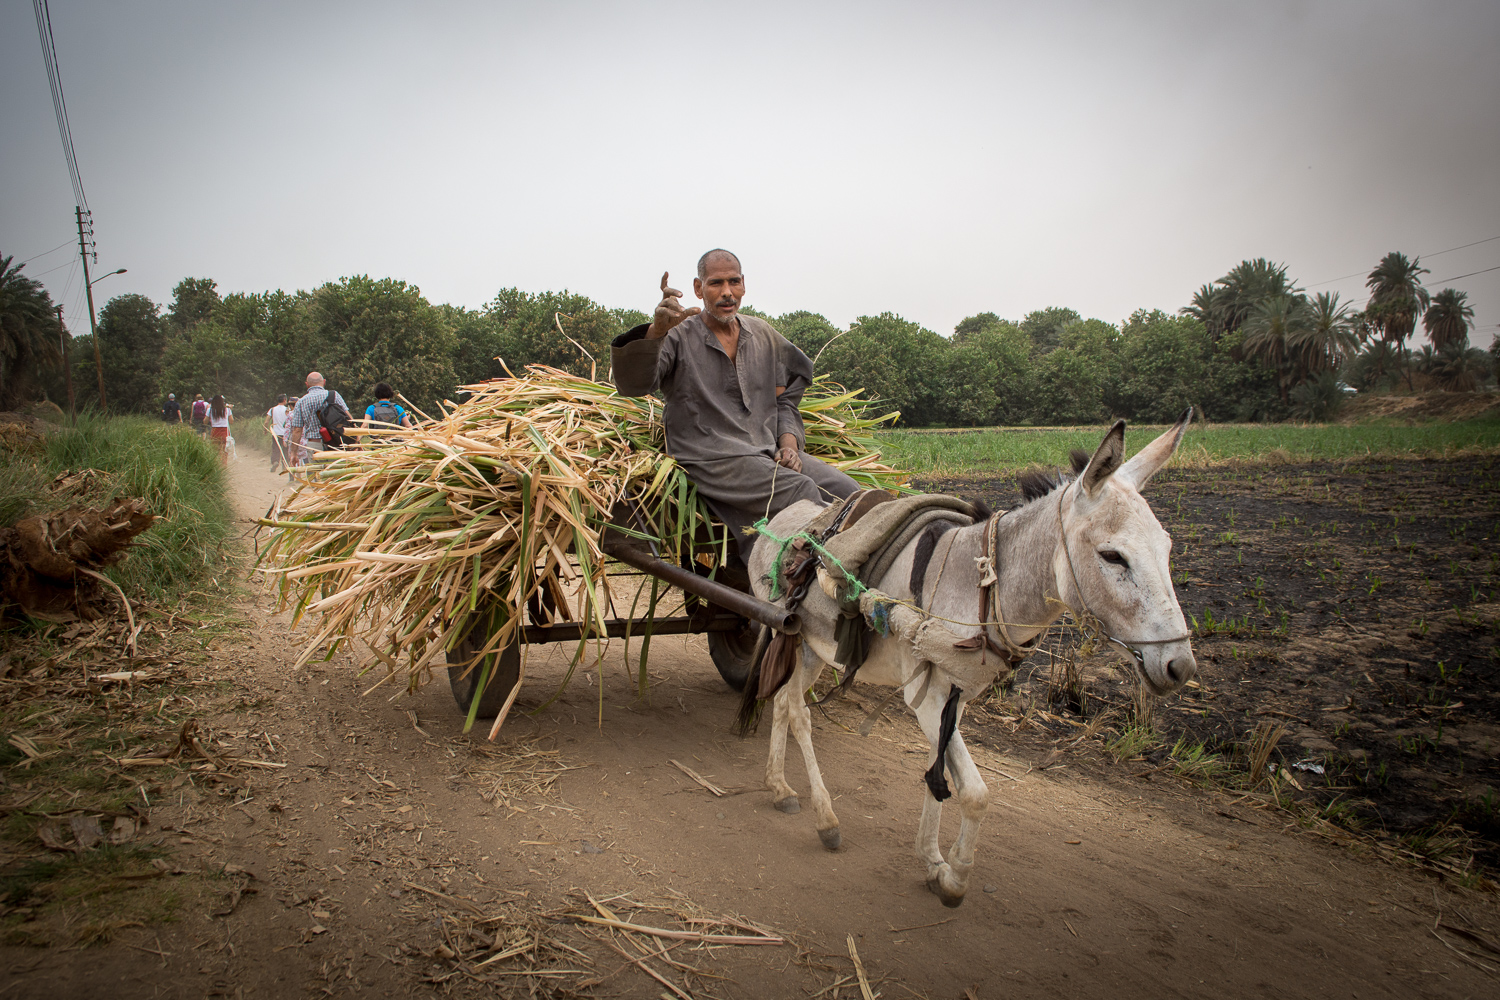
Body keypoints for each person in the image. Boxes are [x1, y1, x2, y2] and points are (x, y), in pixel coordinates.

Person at [610, 249, 858, 554]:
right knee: (801, 491)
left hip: (767, 451)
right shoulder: (677, 337)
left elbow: (786, 402)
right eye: (716, 283)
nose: (727, 292)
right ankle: (816, 574)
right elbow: (632, 385)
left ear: (743, 284)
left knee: (850, 492)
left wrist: (790, 446)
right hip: (708, 457)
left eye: (734, 282)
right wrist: (657, 331)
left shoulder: (763, 335)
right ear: (699, 288)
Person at [289, 372, 351, 466]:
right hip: (336, 443)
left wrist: (293, 453)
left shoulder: (301, 402)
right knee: (336, 475)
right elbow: (348, 418)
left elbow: (297, 430)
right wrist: (355, 441)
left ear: (307, 384)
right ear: (324, 382)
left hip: (314, 445)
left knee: (319, 476)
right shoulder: (334, 395)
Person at [265, 394, 292, 473]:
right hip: (286, 434)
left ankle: (275, 461)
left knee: (275, 448)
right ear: (284, 400)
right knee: (286, 450)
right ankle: (285, 466)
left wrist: (266, 430)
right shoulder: (288, 409)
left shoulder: (272, 409)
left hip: (276, 433)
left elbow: (266, 421)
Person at [207, 394, 233, 465]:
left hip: (215, 431)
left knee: (215, 451)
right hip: (225, 432)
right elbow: (231, 421)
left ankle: (217, 466)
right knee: (225, 450)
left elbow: (205, 421)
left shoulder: (210, 410)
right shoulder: (227, 410)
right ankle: (224, 465)